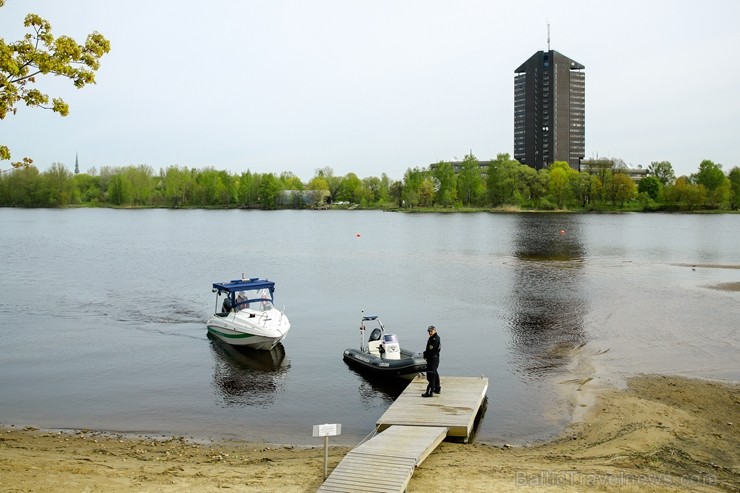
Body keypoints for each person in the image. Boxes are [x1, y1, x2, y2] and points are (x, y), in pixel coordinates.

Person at [422, 325, 441, 397]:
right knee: (435, 373)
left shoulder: (434, 340)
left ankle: (429, 392)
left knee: (431, 376)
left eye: (431, 331)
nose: (430, 332)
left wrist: (425, 354)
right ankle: (437, 388)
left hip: (432, 359)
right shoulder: (434, 338)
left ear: (435, 331)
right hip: (434, 359)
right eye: (429, 331)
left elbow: (431, 351)